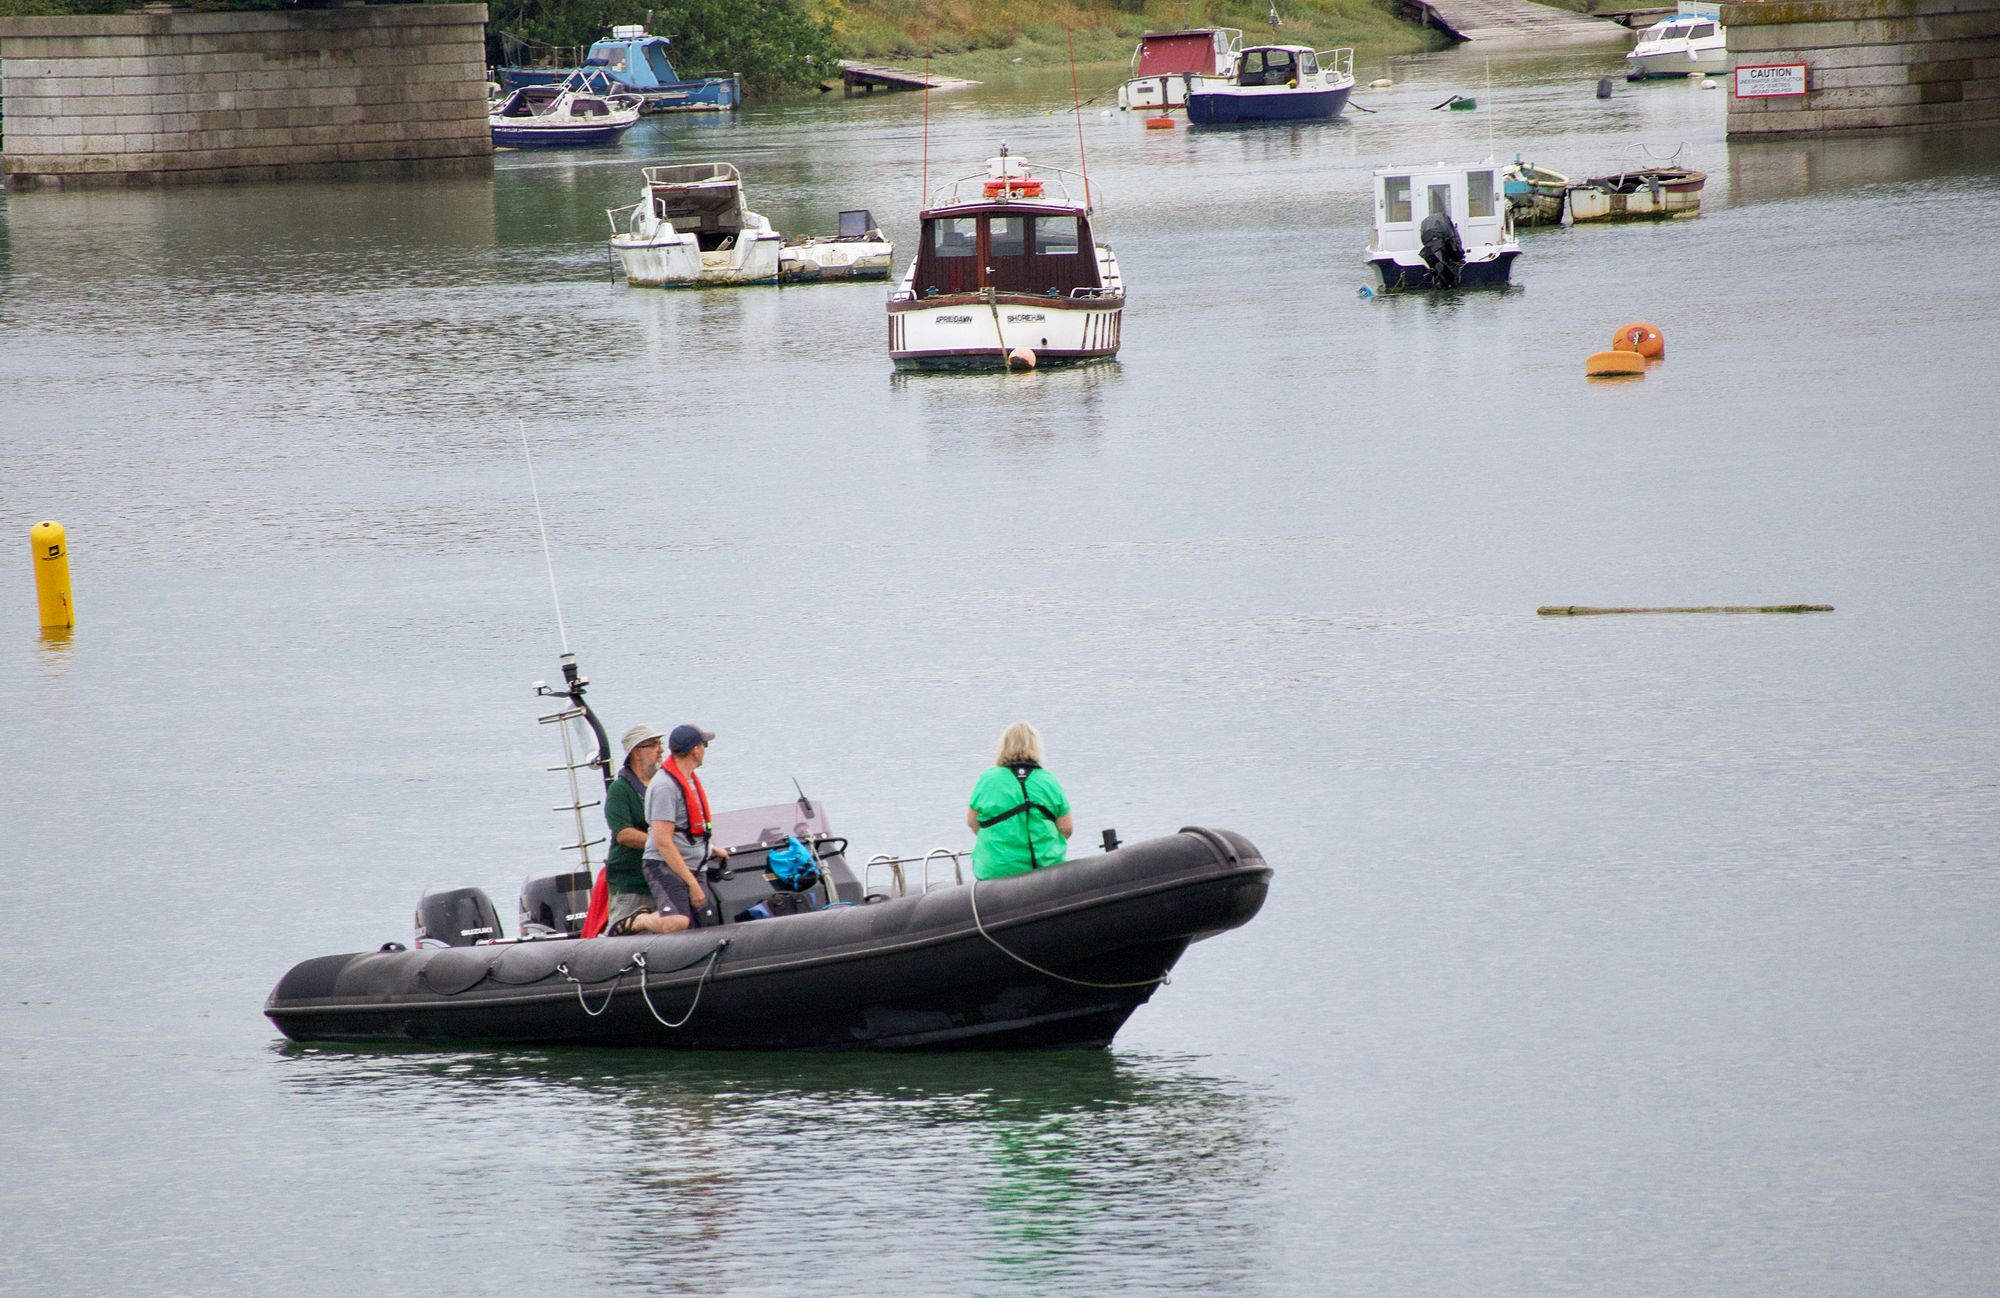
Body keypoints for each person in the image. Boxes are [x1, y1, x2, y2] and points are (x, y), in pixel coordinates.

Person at [598, 722, 685, 937]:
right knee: (624, 937)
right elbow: (623, 834)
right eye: (653, 745)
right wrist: (663, 844)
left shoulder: (661, 785)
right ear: (636, 752)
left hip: (664, 880)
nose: (661, 750)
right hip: (632, 884)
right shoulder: (621, 790)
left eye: (660, 743)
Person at [644, 723, 730, 928]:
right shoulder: (665, 786)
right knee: (678, 922)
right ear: (695, 750)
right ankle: (638, 921)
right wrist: (692, 884)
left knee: (705, 924)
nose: (704, 751)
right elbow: (663, 841)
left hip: (694, 864)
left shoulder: (689, 780)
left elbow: (691, 829)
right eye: (704, 746)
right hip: (665, 866)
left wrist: (710, 849)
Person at [966, 721, 1074, 880]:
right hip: (1047, 871)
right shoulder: (1049, 781)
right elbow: (1066, 828)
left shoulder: (987, 779)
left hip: (996, 870)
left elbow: (972, 822)